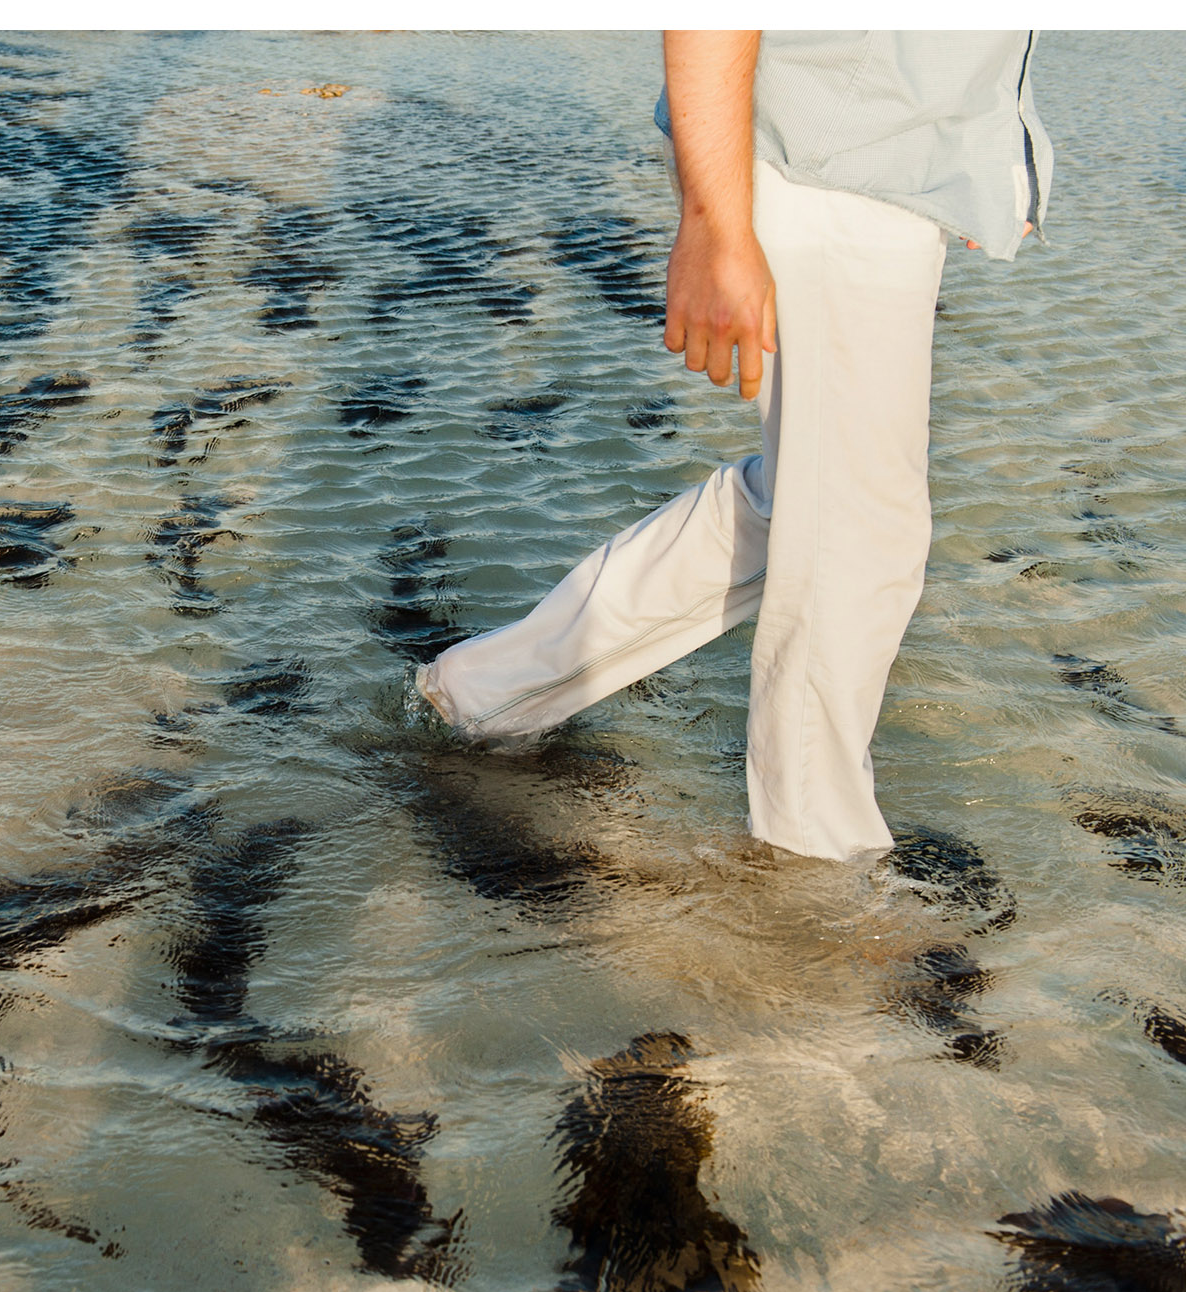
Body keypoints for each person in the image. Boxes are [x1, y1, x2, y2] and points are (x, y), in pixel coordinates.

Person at [420, 31, 1050, 862]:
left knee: (807, 504)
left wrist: (974, 154)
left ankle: (485, 693)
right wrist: (714, 229)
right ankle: (813, 854)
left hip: (874, 168)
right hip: (832, 176)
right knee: (860, 535)